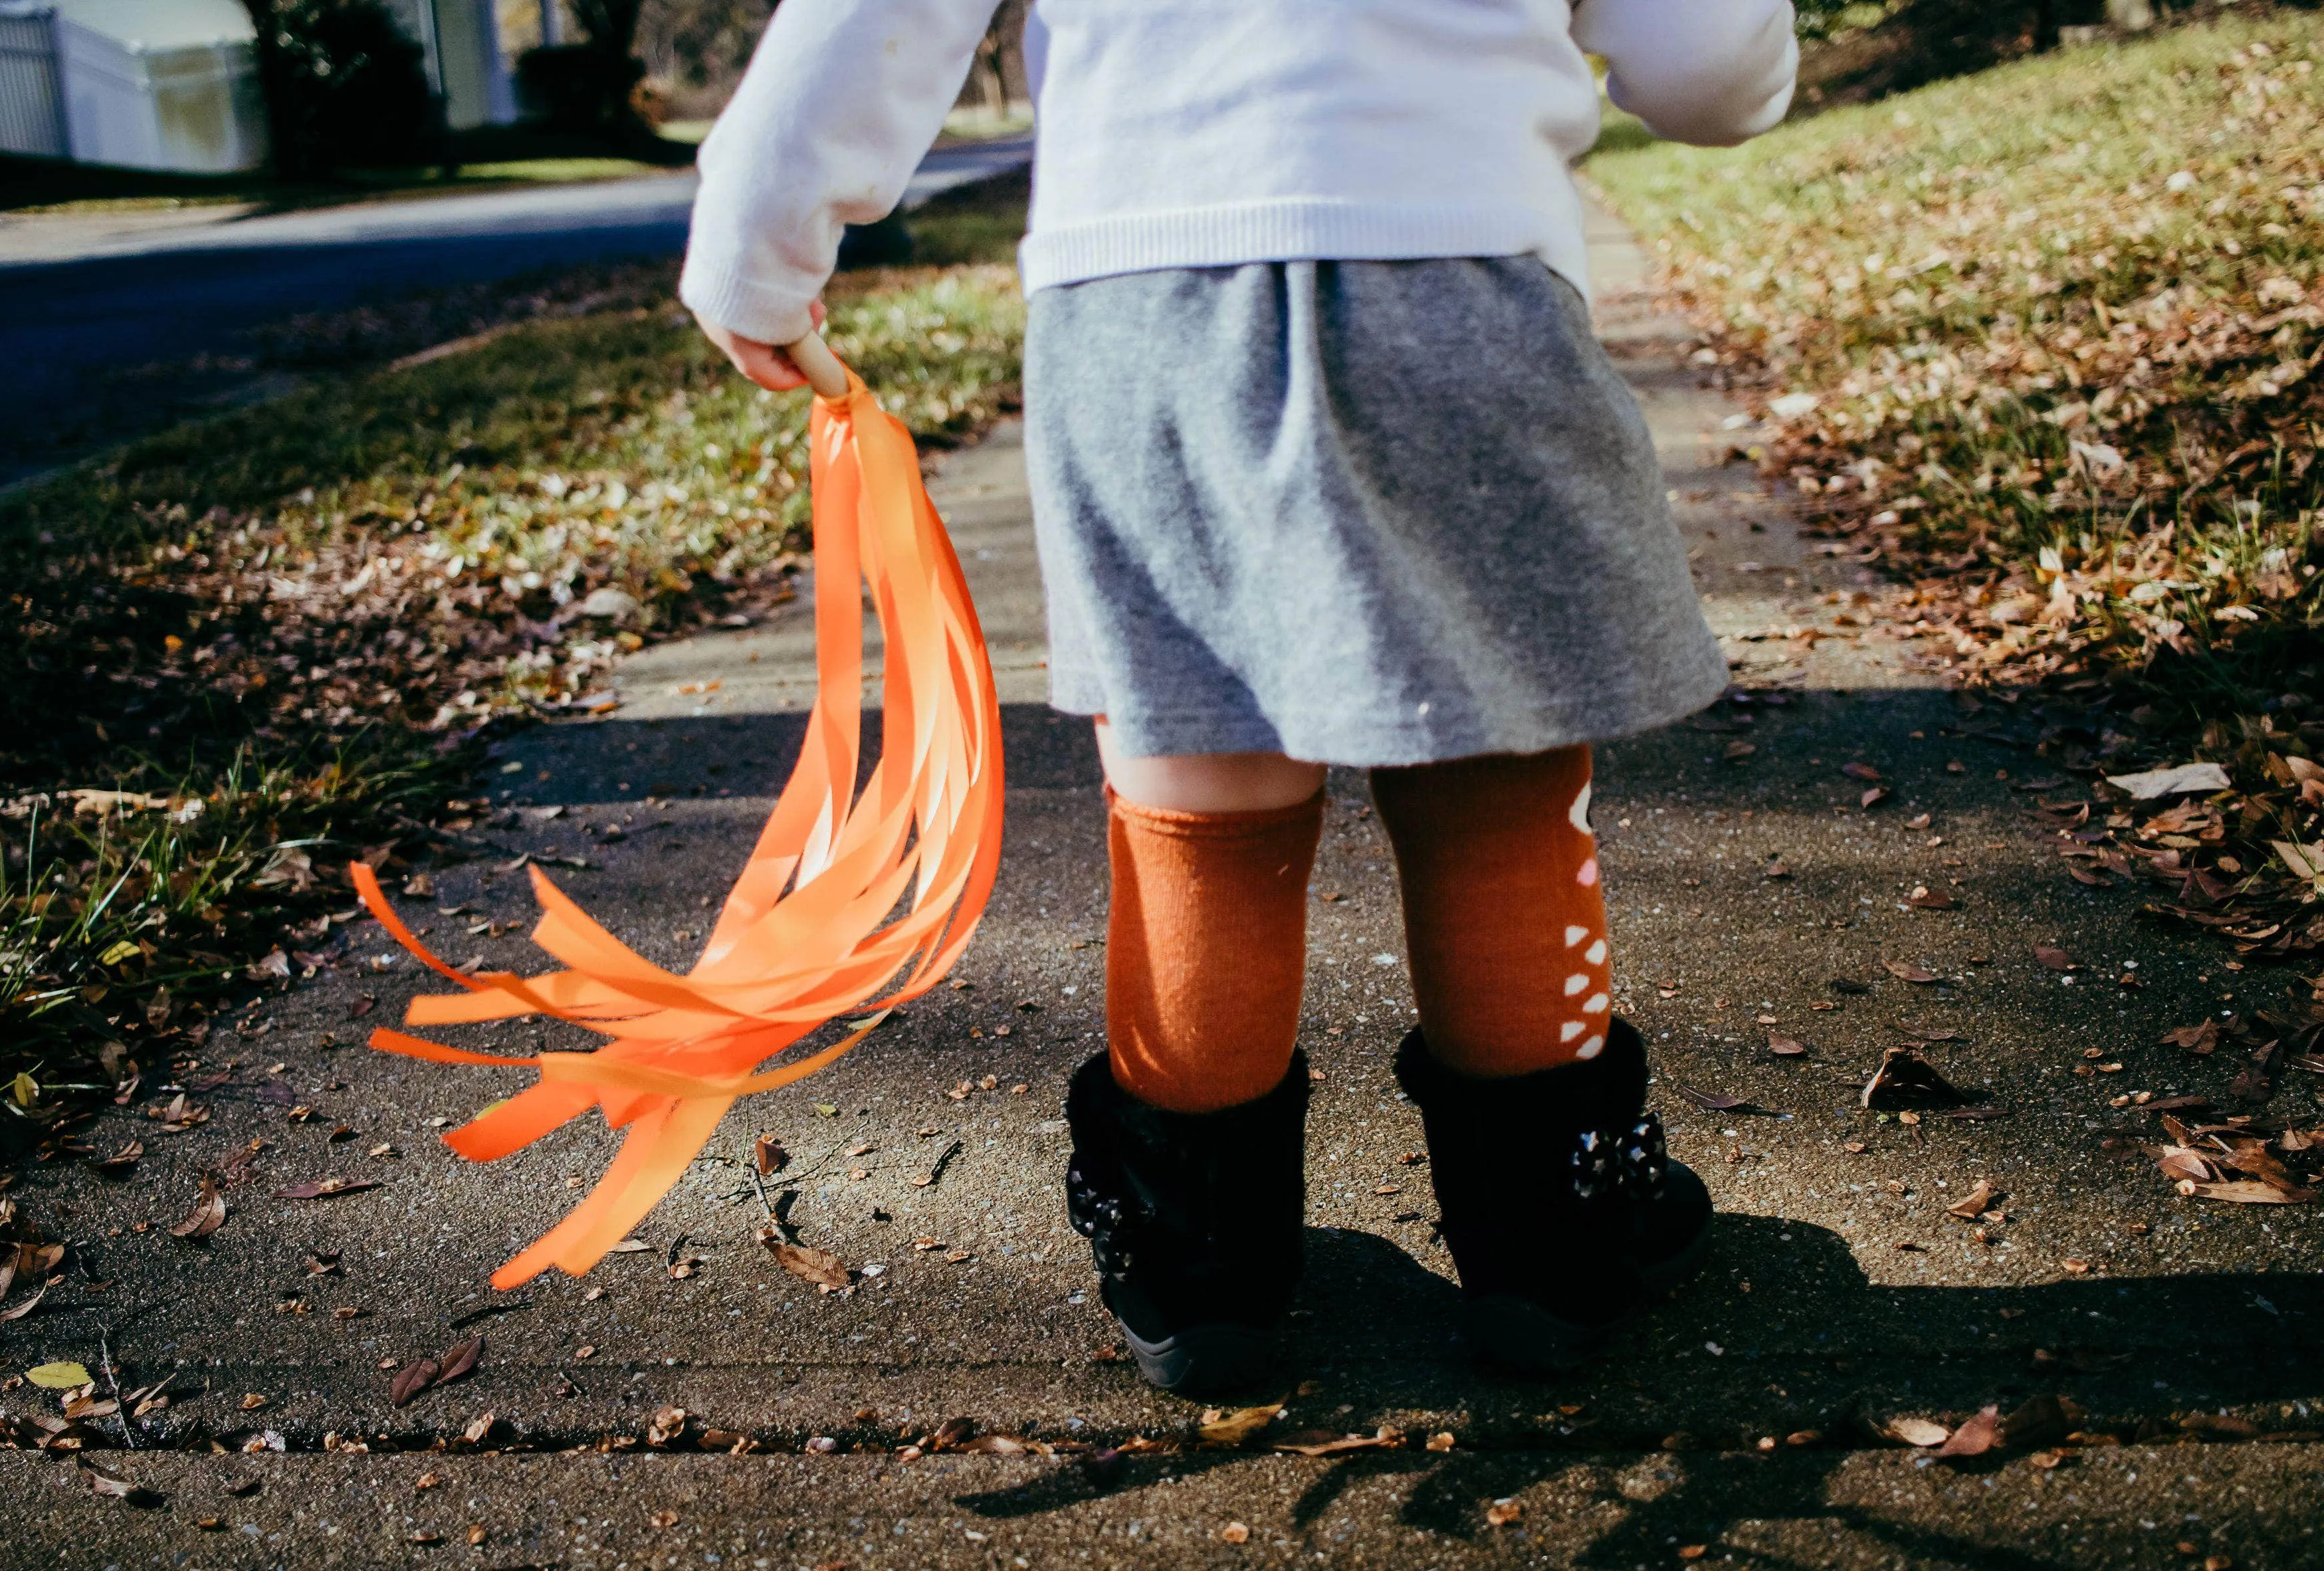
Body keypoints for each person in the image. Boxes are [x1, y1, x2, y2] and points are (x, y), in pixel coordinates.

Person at [681, 0, 1799, 1394]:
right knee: (1497, 777)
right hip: (1458, 278)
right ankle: (1551, 1244)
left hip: (1140, 303)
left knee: (1196, 786)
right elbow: (1707, 67)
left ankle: (1201, 1268)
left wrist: (756, 239)